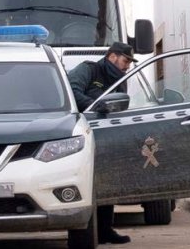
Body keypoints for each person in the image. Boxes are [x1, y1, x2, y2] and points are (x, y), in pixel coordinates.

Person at [67, 41, 136, 245]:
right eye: (126, 61)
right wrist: (95, 107)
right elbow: (72, 90)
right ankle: (82, 232)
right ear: (112, 57)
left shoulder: (121, 80)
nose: (128, 66)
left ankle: (105, 230)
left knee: (107, 182)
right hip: (82, 135)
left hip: (108, 136)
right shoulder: (89, 69)